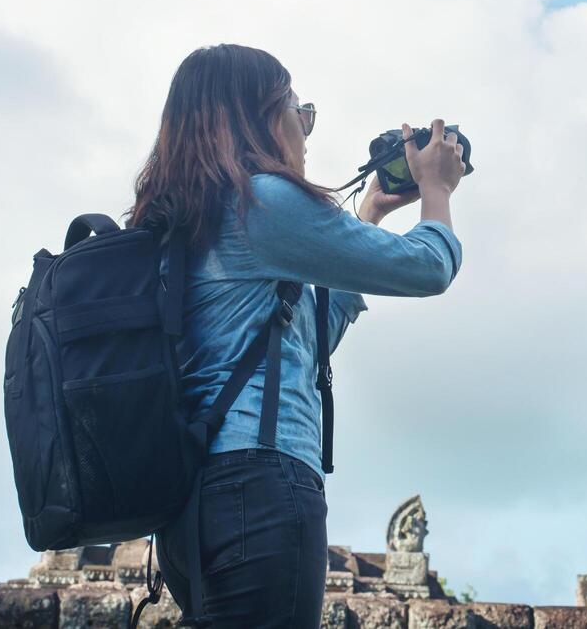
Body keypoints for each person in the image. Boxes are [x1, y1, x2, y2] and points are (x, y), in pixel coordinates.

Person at [125, 43, 465, 628]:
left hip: (192, 505)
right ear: (260, 117)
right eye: (298, 111)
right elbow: (427, 267)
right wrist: (437, 189)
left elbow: (299, 347)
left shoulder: (185, 210)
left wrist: (369, 218)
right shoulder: (264, 201)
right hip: (260, 484)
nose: (305, 132)